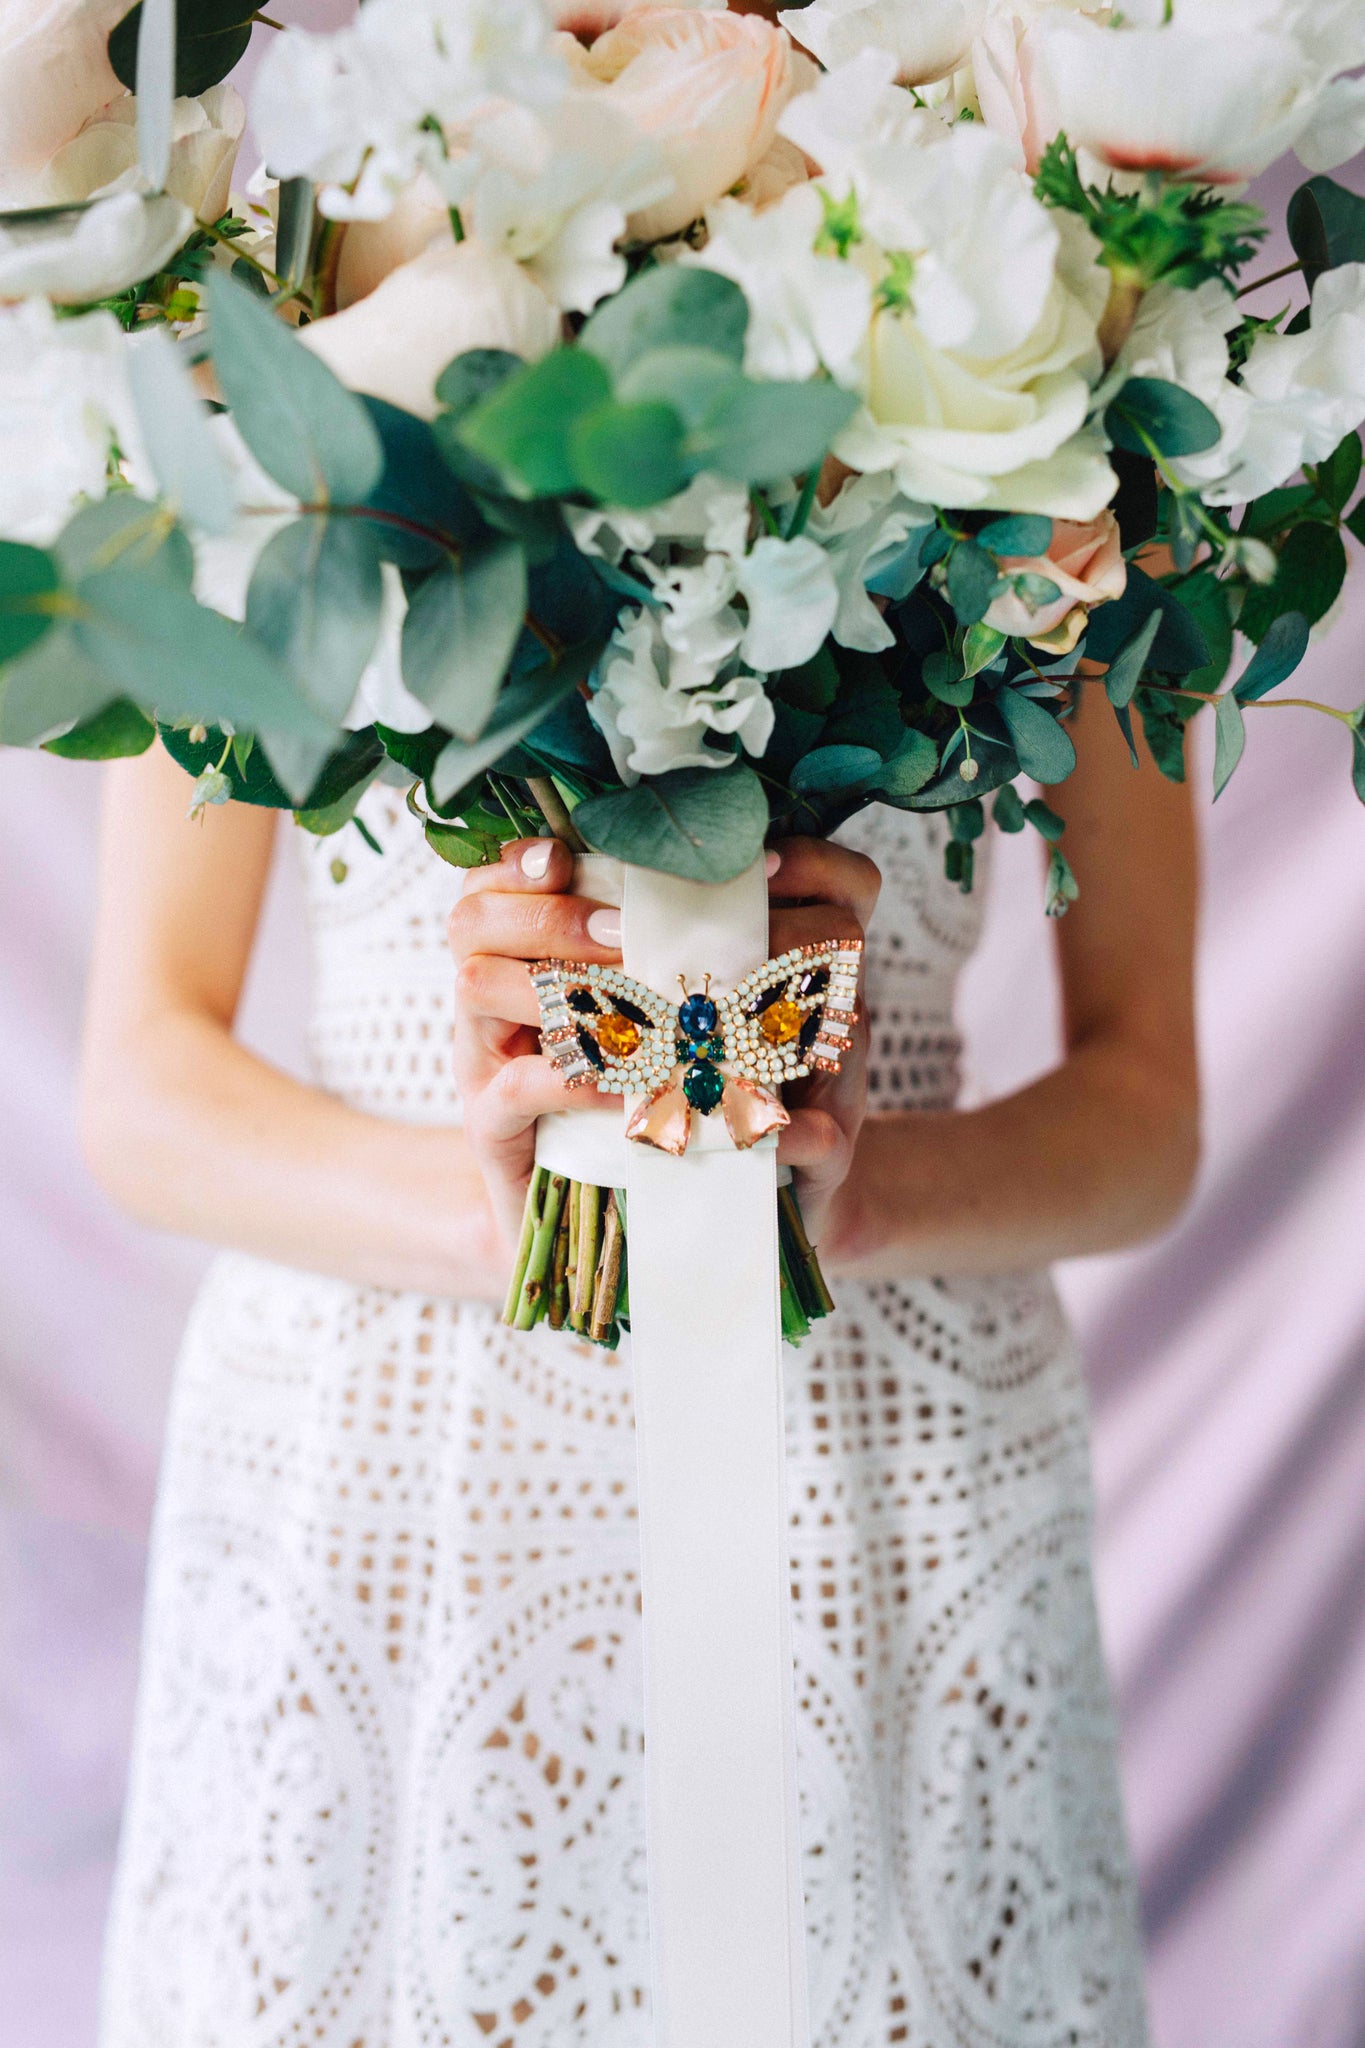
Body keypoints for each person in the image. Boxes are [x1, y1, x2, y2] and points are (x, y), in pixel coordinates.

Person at [83, 678, 1196, 2046]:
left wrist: (843, 1205)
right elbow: (140, 1085)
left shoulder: (1078, 485)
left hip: (879, 1466)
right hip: (389, 1471)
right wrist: (518, 1210)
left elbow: (1145, 1107)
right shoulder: (223, 475)